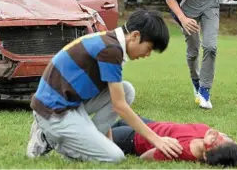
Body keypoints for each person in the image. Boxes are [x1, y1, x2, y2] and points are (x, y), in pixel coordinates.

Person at [26, 9, 183, 162]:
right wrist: (157, 140)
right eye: (148, 49)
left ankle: (81, 143)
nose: (147, 55)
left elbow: (112, 101)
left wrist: (107, 142)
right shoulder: (111, 50)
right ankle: (48, 138)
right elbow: (119, 106)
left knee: (126, 90)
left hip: (69, 104)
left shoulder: (109, 41)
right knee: (115, 157)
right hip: (54, 111)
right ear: (135, 36)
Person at [111, 117, 237, 167]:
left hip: (134, 138)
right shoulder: (205, 132)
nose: (216, 135)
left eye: (216, 141)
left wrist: (136, 159)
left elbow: (147, 156)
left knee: (97, 133)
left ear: (206, 155)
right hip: (146, 123)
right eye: (222, 137)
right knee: (114, 119)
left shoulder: (180, 150)